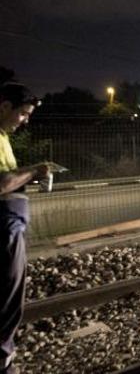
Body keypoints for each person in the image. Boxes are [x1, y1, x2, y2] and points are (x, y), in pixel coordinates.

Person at [0, 83, 48, 374]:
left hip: (10, 228)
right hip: (4, 231)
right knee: (6, 299)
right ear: (5, 106)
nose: (25, 120)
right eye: (23, 114)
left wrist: (25, 179)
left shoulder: (4, 137)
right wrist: (34, 171)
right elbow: (1, 184)